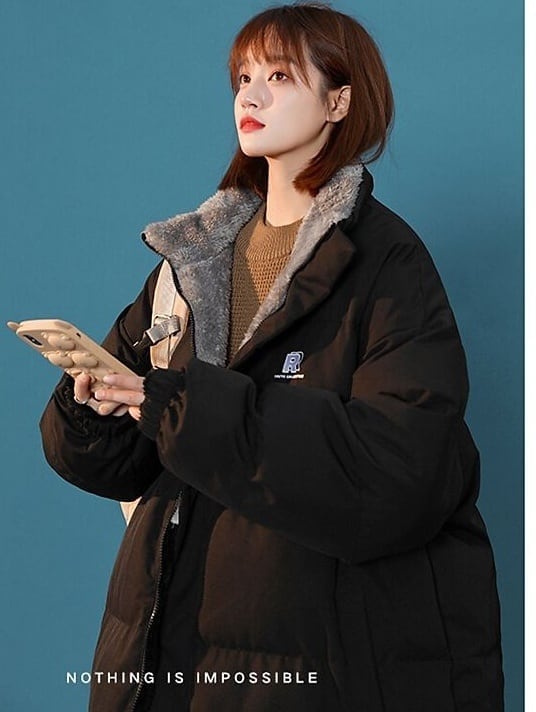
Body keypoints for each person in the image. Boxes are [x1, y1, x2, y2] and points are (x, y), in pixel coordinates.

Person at [39, 3, 504, 711]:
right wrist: (94, 408)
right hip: (170, 649)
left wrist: (183, 408)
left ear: (339, 101)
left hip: (317, 660)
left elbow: (399, 475)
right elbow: (123, 464)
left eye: (279, 76)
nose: (249, 97)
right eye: (242, 78)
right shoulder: (191, 260)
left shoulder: (387, 263)